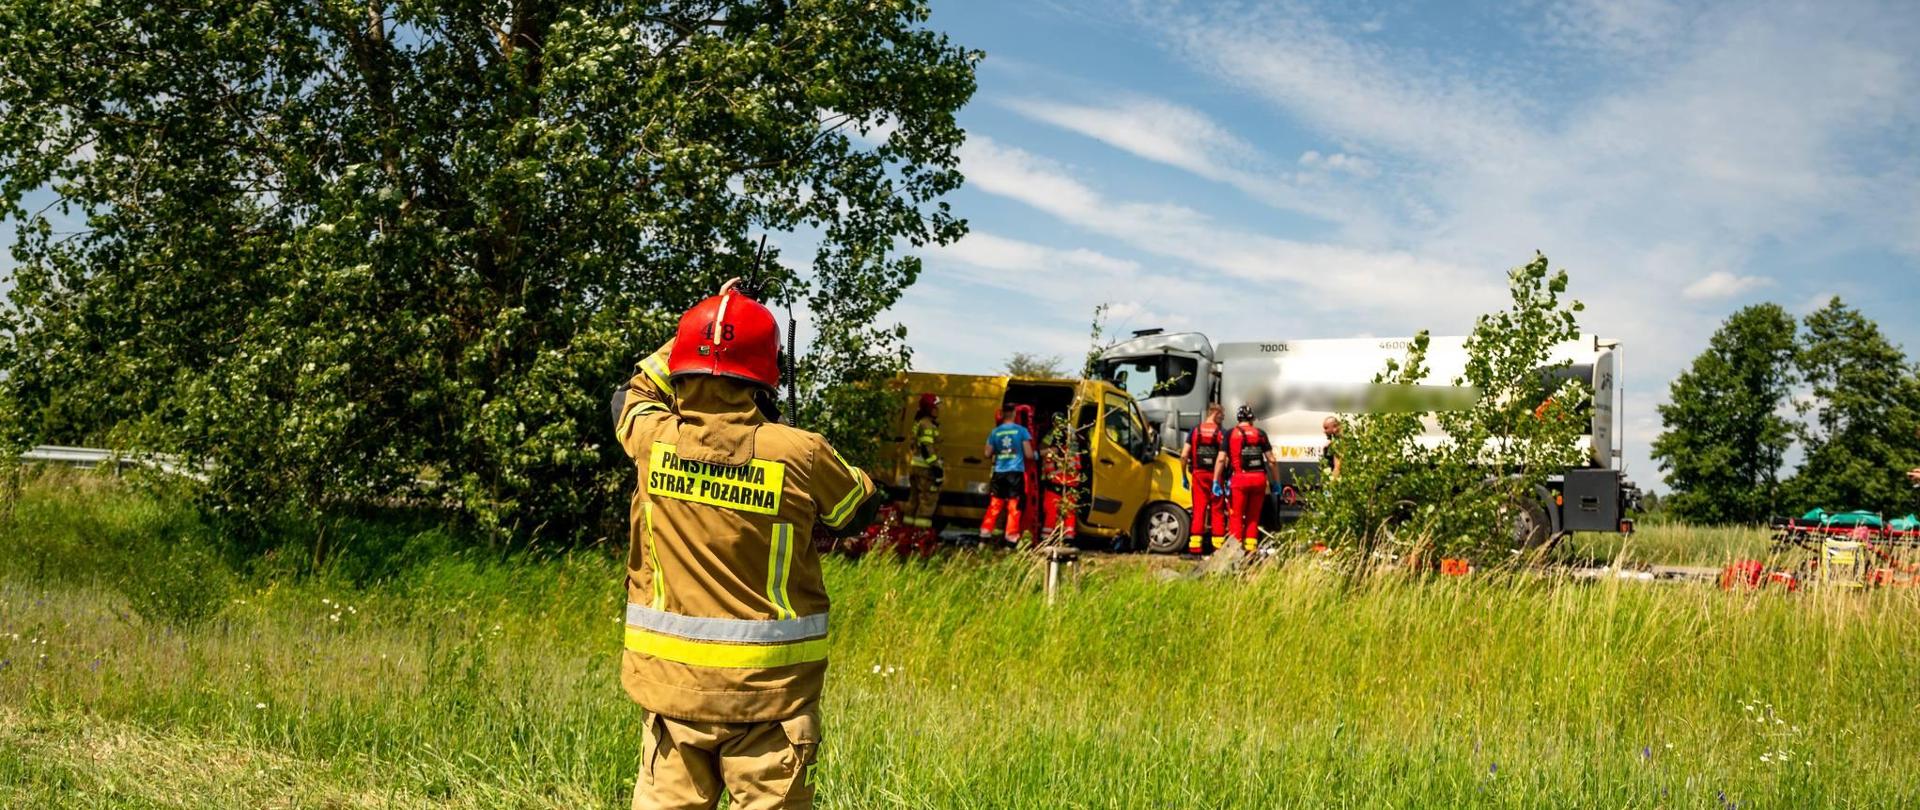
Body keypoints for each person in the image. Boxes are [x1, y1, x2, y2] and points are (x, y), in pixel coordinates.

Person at [610, 279, 881, 810]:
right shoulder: (800, 453)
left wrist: (701, 327)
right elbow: (858, 509)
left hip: (673, 696)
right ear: (765, 375)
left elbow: (630, 395)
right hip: (772, 700)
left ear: (684, 368)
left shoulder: (652, 440)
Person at [1214, 404, 1277, 553]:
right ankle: (1251, 552)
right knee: (1253, 517)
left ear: (1238, 418)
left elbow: (1221, 459)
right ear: (1252, 419)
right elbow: (1272, 460)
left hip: (1239, 479)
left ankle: (1235, 552)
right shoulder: (1260, 433)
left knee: (1235, 516)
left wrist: (1216, 481)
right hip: (1259, 479)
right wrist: (1276, 482)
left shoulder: (1230, 433)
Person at [980, 408, 1035, 545]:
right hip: (1014, 474)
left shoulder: (996, 432)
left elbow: (987, 453)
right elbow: (1029, 454)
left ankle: (983, 538)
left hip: (999, 473)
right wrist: (1039, 455)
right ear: (1015, 415)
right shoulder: (1021, 431)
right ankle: (1010, 541)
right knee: (1013, 508)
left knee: (994, 506)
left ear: (1002, 415)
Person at [1183, 403, 1229, 554]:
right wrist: (1225, 477)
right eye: (1222, 415)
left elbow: (1184, 455)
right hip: (1216, 477)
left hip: (1198, 475)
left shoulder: (1194, 431)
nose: (1223, 418)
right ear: (1215, 413)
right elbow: (1224, 459)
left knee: (1198, 511)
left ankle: (1195, 549)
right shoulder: (1221, 432)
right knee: (1217, 511)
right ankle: (1218, 549)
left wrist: (1184, 475)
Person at [1038, 416, 1081, 543]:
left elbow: (1049, 469)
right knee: (1065, 516)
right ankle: (1065, 540)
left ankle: (1048, 541)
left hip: (1058, 486)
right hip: (1066, 487)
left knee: (1054, 514)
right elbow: (1076, 467)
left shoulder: (1057, 446)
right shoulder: (1071, 448)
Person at [902, 394, 942, 529]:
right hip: (926, 470)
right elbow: (927, 448)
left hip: (915, 468)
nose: (938, 409)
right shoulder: (928, 425)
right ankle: (920, 535)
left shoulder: (918, 423)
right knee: (927, 502)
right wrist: (936, 467)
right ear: (930, 408)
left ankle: (906, 533)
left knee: (913, 501)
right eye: (936, 406)